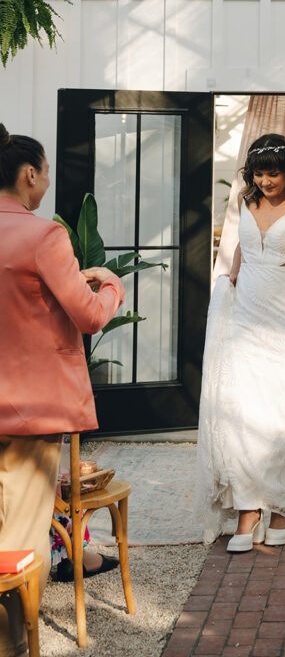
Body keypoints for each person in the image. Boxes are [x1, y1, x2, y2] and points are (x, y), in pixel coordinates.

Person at [0, 124, 125, 657]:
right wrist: (111, 283)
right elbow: (89, 315)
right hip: (33, 409)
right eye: (46, 171)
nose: (46, 180)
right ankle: (12, 643)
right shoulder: (45, 236)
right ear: (30, 173)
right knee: (20, 536)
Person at [195, 134, 285, 552]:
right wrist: (232, 276)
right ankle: (248, 509)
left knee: (284, 413)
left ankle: (282, 507)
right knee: (242, 408)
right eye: (258, 172)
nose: (266, 180)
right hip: (247, 312)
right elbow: (243, 247)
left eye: (273, 172)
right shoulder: (246, 202)